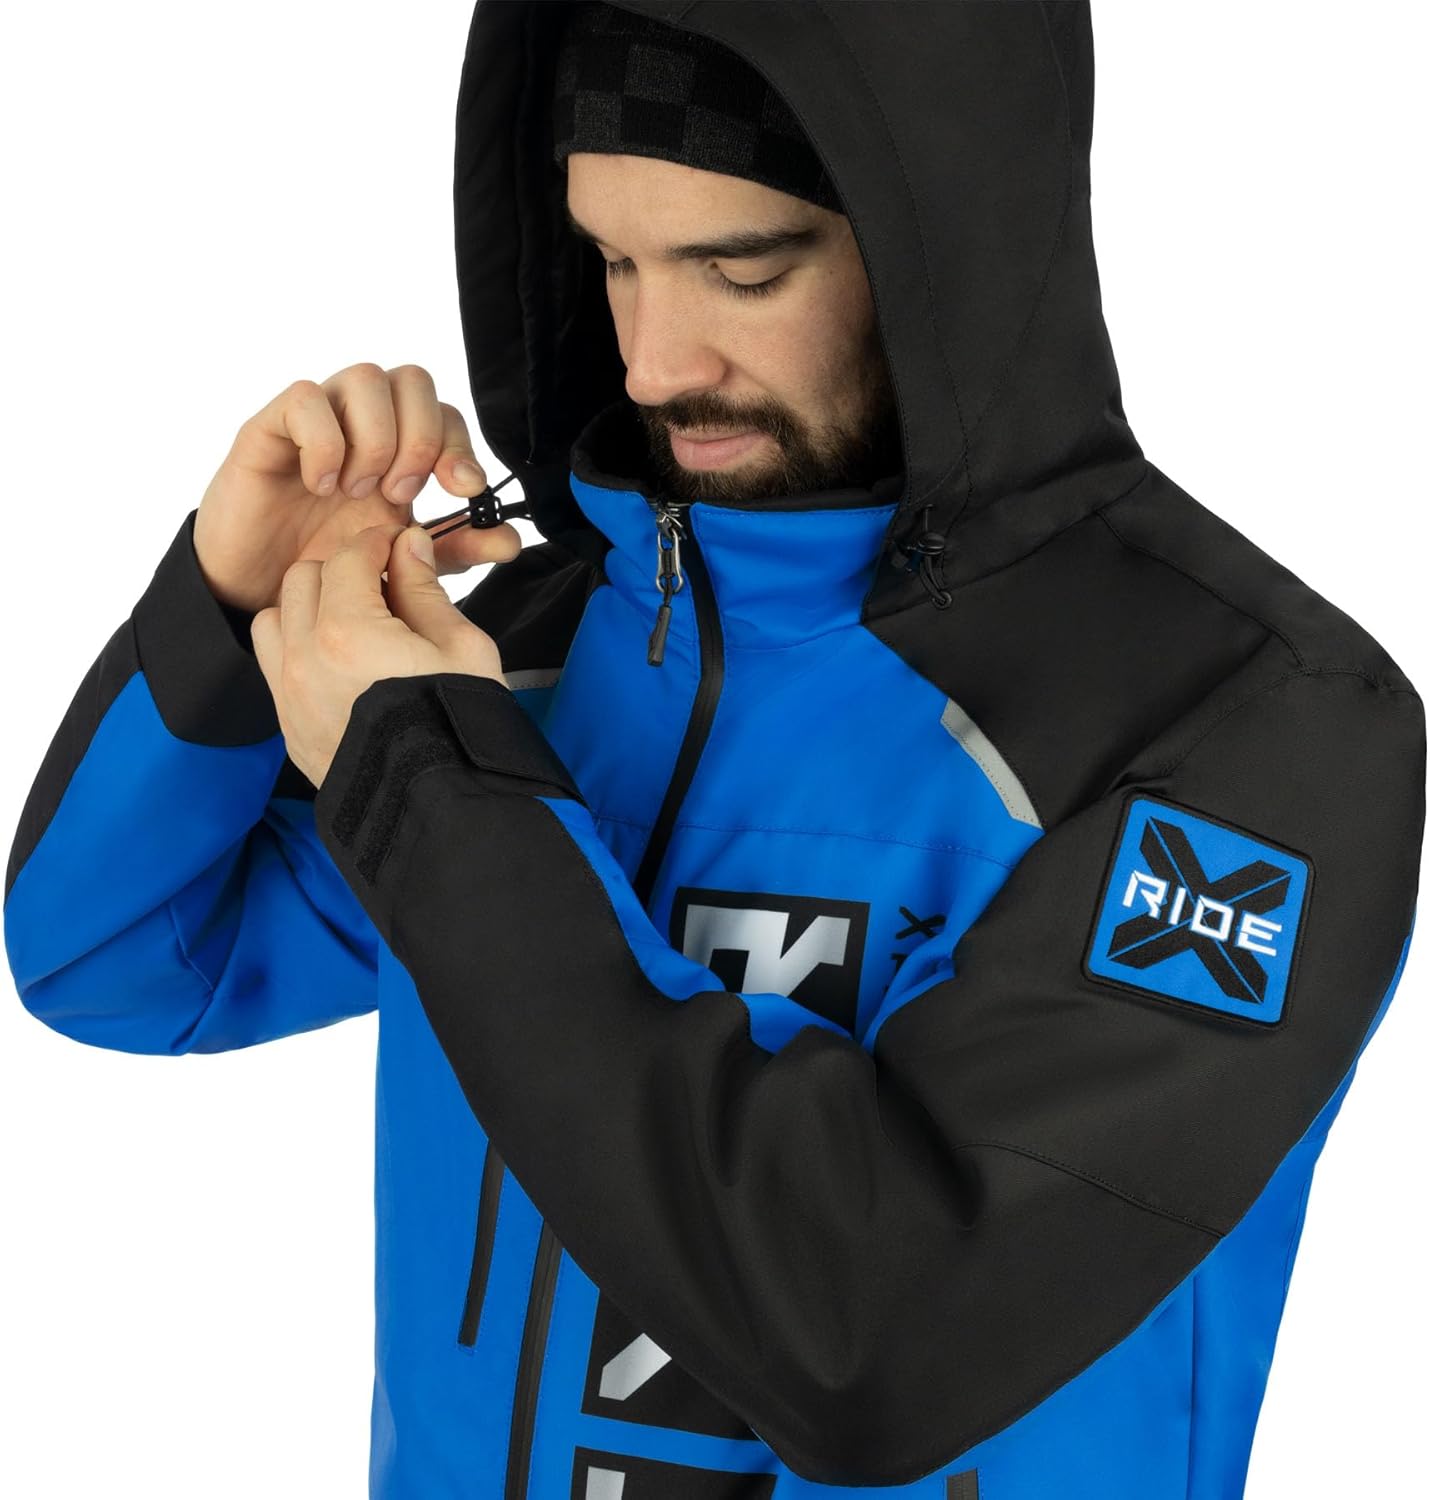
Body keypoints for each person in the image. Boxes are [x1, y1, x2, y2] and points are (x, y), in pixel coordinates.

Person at [5, 2, 1424, 1497]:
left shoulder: (1247, 719)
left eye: (742, 271)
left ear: (943, 246)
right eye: (611, 264)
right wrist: (231, 611)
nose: (652, 361)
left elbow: (875, 1342)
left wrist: (435, 788)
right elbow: (120, 963)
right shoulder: (526, 659)